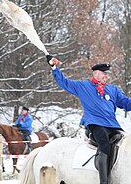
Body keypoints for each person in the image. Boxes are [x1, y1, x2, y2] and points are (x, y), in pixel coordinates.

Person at [46, 55, 131, 184]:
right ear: (96, 73)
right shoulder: (83, 86)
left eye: (107, 74)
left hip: (113, 126)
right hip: (95, 124)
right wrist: (54, 68)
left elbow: (126, 103)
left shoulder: (113, 90)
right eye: (104, 74)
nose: (107, 77)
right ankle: (104, 182)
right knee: (104, 144)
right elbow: (64, 83)